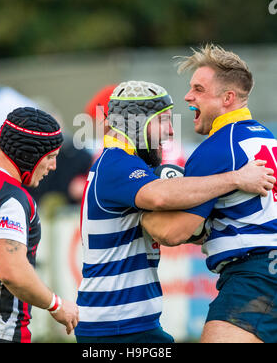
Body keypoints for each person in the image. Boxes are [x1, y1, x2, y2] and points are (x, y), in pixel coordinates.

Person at [74, 80, 274, 344]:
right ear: (136, 123)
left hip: (129, 324)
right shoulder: (117, 163)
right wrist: (237, 179)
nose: (170, 132)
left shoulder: (129, 166)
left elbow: (175, 223)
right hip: (116, 327)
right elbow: (161, 196)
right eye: (163, 121)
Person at [141, 45, 277, 343]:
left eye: (198, 89)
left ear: (227, 98)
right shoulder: (266, 136)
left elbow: (175, 232)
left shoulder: (216, 149)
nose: (188, 97)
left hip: (256, 276)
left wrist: (137, 209)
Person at [0, 107, 79, 343]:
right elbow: (12, 272)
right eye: (51, 157)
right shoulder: (10, 199)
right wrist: (56, 305)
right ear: (29, 154)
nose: (53, 167)